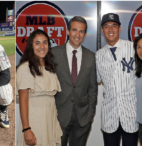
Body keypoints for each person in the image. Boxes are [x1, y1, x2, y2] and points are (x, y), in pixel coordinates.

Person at [51, 16, 98, 146]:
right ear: (68, 31)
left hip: (82, 119)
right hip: (58, 117)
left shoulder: (91, 56)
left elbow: (93, 89)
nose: (77, 35)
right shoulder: (54, 53)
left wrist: (90, 115)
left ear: (85, 34)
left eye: (81, 31)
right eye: (74, 30)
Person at [96, 13, 138, 146]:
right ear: (102, 30)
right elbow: (95, 79)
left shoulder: (133, 48)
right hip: (109, 115)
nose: (110, 30)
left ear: (120, 28)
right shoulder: (99, 55)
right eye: (106, 26)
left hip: (131, 113)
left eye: (114, 26)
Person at [16, 29, 63, 146]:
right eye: (37, 43)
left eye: (45, 42)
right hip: (35, 120)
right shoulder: (25, 68)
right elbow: (23, 100)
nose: (42, 46)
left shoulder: (50, 68)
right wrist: (26, 129)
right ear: (31, 46)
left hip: (49, 120)